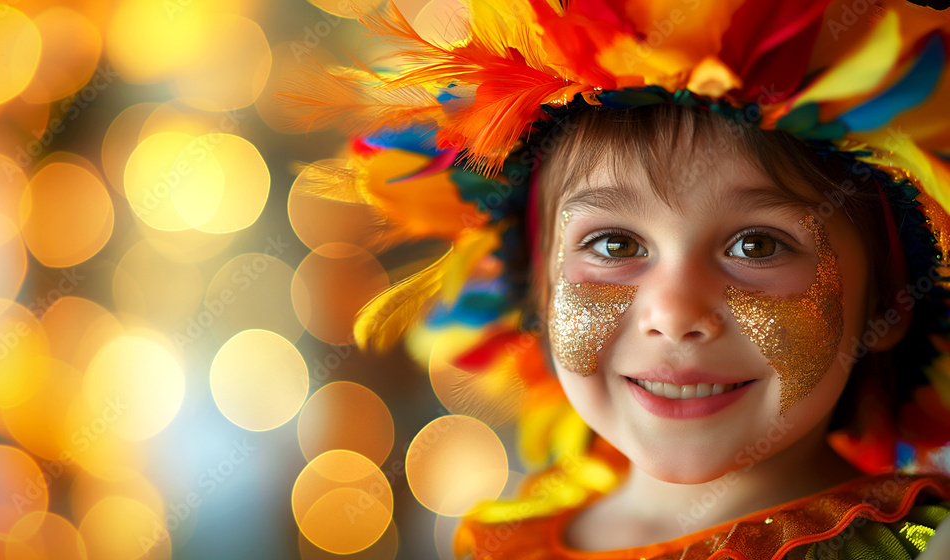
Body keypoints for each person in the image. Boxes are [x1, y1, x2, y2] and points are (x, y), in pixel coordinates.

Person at [280, 0, 950, 557]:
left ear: (888, 304)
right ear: (540, 294)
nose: (674, 312)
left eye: (757, 245)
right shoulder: (504, 542)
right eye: (615, 244)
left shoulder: (922, 544)